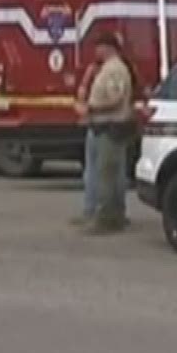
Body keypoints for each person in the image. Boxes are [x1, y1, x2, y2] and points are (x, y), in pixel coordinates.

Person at [81, 34, 137, 233]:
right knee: (106, 173)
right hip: (102, 126)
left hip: (110, 127)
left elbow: (115, 98)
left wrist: (91, 108)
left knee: (107, 175)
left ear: (108, 47)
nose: (96, 51)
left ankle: (106, 219)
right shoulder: (106, 68)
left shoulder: (115, 69)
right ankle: (109, 216)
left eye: (98, 47)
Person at [71, 54, 102, 228]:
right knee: (109, 171)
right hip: (110, 125)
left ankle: (91, 210)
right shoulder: (120, 69)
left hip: (96, 124)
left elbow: (81, 94)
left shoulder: (95, 73)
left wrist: (82, 107)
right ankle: (108, 210)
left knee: (92, 170)